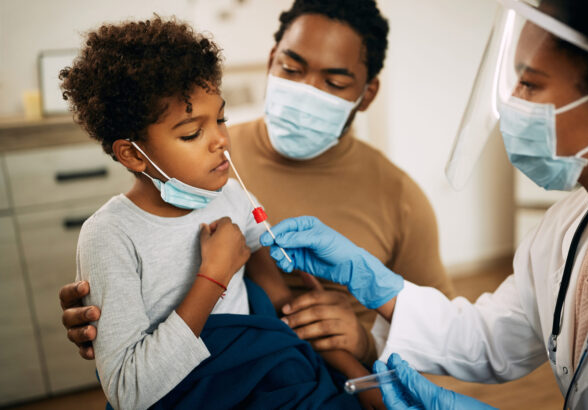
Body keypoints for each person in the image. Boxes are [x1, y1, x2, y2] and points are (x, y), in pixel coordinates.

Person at [260, 0, 588, 408]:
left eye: (529, 83)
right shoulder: (572, 225)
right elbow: (491, 338)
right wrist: (376, 284)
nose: (511, 102)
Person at [60, 0, 454, 368]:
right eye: (292, 68)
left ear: (367, 95)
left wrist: (368, 343)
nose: (306, 91)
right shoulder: (202, 167)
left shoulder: (401, 198)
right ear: (271, 60)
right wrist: (110, 318)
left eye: (334, 82)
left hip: (322, 375)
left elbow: (448, 342)